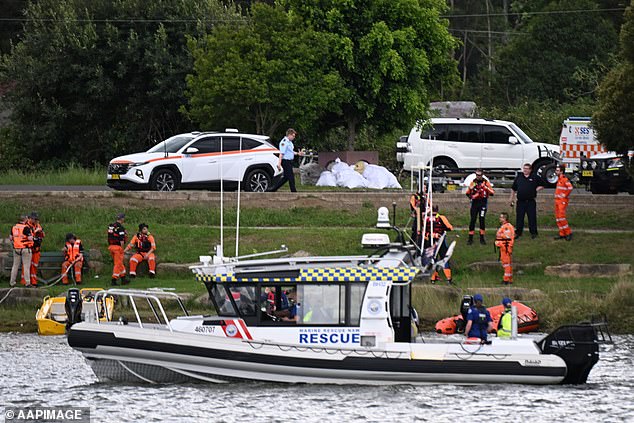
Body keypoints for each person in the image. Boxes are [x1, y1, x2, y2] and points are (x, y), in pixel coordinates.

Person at [509, 163, 545, 239]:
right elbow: (513, 188)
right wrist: (511, 198)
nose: (525, 170)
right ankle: (518, 232)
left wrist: (535, 190)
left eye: (526, 168)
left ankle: (533, 233)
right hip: (520, 201)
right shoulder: (519, 177)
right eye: (524, 168)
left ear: (530, 170)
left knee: (532, 217)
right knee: (519, 218)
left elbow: (542, 185)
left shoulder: (534, 177)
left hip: (530, 202)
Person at [424, 205, 453, 284]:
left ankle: (433, 278)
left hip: (430, 240)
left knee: (433, 259)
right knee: (444, 258)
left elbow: (423, 230)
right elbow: (450, 227)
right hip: (440, 240)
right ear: (437, 210)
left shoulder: (426, 218)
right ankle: (448, 278)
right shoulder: (441, 217)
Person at [465, 169, 495, 245]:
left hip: (483, 203)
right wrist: (472, 197)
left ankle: (482, 238)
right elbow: (467, 193)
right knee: (473, 220)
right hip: (475, 203)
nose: (478, 176)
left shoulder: (486, 182)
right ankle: (470, 238)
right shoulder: (473, 182)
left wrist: (485, 188)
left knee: (482, 220)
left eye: (479, 175)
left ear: (482, 175)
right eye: (477, 175)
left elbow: (492, 193)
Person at [9, 215, 34, 287]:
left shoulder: (14, 227)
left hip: (16, 249)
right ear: (25, 220)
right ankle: (28, 283)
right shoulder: (26, 228)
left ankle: (12, 282)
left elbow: (11, 238)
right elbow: (30, 238)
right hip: (25, 248)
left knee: (15, 266)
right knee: (26, 266)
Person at [22, 212, 44, 286]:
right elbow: (28, 236)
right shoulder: (26, 226)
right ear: (30, 218)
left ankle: (34, 282)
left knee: (34, 266)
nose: (36, 221)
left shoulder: (37, 225)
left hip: (36, 249)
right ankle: (25, 281)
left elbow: (42, 235)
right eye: (35, 219)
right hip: (28, 249)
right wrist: (35, 231)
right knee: (26, 266)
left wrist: (40, 232)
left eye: (37, 219)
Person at [107, 213, 129, 285]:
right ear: (122, 219)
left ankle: (123, 278)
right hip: (117, 247)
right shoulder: (121, 228)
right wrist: (122, 249)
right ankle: (114, 279)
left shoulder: (111, 226)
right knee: (117, 264)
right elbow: (121, 240)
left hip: (111, 247)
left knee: (119, 263)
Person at [554, 164, 574, 241]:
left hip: (562, 201)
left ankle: (568, 233)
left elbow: (570, 187)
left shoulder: (564, 179)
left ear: (561, 171)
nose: (556, 172)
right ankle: (562, 233)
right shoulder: (559, 179)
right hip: (557, 200)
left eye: (557, 170)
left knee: (561, 217)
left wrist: (564, 195)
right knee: (558, 218)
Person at [495, 212, 515, 285]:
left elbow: (507, 237)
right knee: (507, 264)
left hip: (505, 247)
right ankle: (509, 279)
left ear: (504, 218)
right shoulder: (504, 226)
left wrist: (499, 242)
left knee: (506, 264)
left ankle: (506, 280)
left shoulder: (507, 227)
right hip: (504, 247)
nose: (499, 218)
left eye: (501, 217)